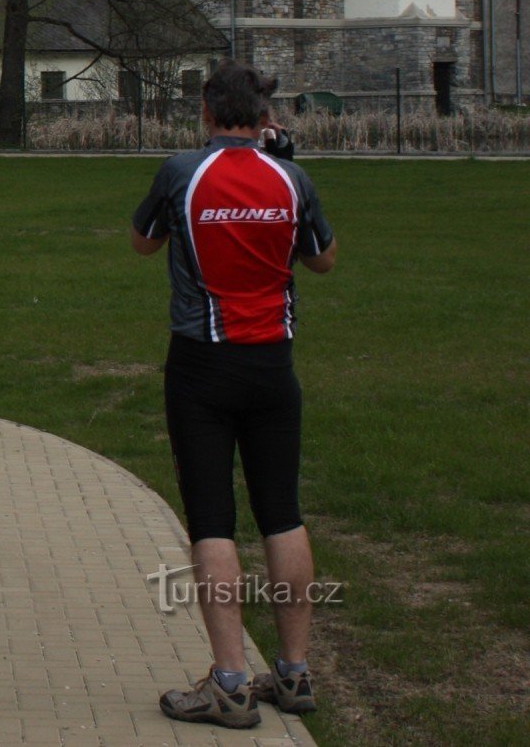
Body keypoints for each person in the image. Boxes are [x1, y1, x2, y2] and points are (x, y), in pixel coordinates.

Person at [132, 59, 337, 728]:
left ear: (206, 110)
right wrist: (283, 173)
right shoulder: (291, 178)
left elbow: (142, 242)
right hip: (273, 363)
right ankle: (295, 670)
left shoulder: (181, 172)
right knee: (282, 513)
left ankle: (229, 683)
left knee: (213, 520)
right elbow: (322, 258)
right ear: (266, 117)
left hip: (202, 364)